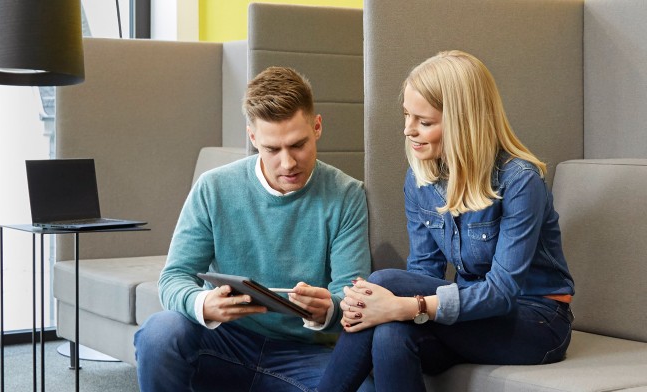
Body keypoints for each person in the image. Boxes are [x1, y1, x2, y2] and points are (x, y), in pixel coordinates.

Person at [317, 50, 575, 392]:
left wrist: (407, 304)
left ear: (462, 122)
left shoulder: (520, 181)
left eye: (424, 122)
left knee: (384, 281)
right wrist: (381, 307)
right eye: (407, 116)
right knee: (391, 333)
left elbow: (501, 293)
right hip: (470, 313)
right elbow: (423, 273)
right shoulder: (420, 179)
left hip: (537, 321)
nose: (408, 130)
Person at [134, 66, 373, 392]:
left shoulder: (346, 195)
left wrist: (326, 308)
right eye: (272, 150)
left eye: (298, 145)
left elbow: (349, 294)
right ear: (253, 138)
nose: (288, 163)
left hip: (304, 353)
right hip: (225, 341)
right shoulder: (214, 188)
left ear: (317, 127)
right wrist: (203, 304)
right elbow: (174, 278)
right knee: (160, 333)